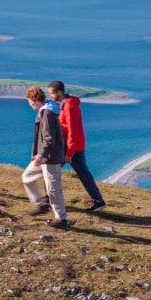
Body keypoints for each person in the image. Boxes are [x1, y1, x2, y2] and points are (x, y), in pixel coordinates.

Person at [50, 80, 105, 212]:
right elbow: (67, 127)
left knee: (53, 169)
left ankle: (48, 198)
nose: (51, 96)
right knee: (80, 173)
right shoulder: (65, 104)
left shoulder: (69, 106)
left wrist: (69, 152)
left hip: (72, 147)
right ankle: (98, 200)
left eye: (52, 93)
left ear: (59, 92)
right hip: (72, 146)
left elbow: (73, 130)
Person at [22, 86, 68, 228]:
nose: (29, 104)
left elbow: (48, 138)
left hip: (50, 157)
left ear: (34, 100)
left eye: (29, 101)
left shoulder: (47, 113)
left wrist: (41, 155)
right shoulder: (46, 111)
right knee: (27, 177)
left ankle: (61, 219)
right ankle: (41, 204)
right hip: (43, 156)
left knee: (53, 188)